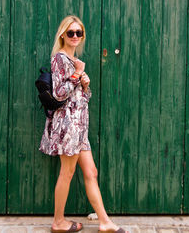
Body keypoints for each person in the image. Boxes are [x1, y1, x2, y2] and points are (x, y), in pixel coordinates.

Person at [39, 15, 127, 233]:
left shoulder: (72, 59)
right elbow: (59, 94)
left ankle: (104, 222)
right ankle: (58, 222)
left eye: (79, 33)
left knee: (91, 172)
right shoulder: (60, 59)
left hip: (80, 128)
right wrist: (78, 74)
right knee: (67, 173)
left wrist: (85, 87)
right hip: (68, 127)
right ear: (63, 35)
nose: (76, 36)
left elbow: (81, 99)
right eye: (71, 32)